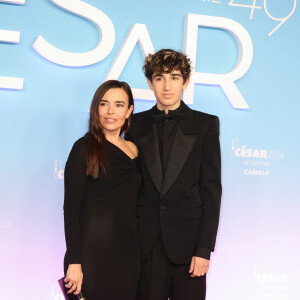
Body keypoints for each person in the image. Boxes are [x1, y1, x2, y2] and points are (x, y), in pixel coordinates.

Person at [125, 49, 222, 300]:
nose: (167, 86)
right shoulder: (134, 125)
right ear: (150, 83)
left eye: (174, 77)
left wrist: (203, 249)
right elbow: (129, 187)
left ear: (185, 82)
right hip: (146, 246)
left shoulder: (206, 125)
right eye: (159, 78)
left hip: (189, 249)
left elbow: (212, 193)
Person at [63, 80, 141, 299]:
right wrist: (75, 262)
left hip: (129, 252)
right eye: (104, 104)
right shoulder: (84, 147)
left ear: (129, 111)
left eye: (118, 105)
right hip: (92, 252)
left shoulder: (135, 150)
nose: (110, 111)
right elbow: (71, 209)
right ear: (96, 108)